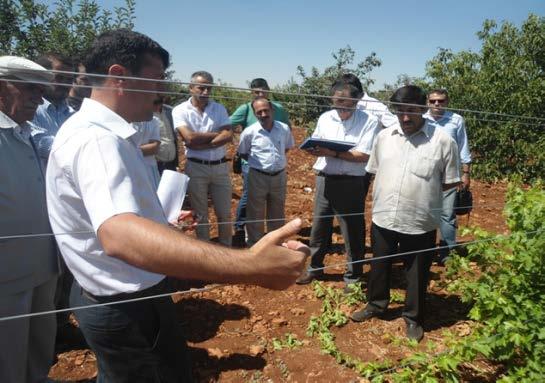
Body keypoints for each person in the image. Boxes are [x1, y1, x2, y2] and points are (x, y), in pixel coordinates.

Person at [46, 29, 309, 382]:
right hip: (128, 306)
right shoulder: (98, 140)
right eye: (156, 80)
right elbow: (120, 236)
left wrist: (159, 224)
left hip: (110, 297)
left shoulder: (91, 129)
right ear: (120, 77)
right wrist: (251, 265)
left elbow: (113, 222)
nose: (161, 92)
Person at [350, 85, 460, 342]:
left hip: (420, 220)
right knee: (379, 265)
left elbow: (449, 182)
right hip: (384, 217)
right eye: (400, 111)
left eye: (411, 111)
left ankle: (413, 318)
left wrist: (422, 193)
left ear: (423, 109)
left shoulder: (443, 141)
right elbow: (375, 170)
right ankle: (376, 305)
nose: (405, 117)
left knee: (417, 272)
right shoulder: (384, 137)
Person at [0, 55, 59, 383]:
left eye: (41, 90)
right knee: (7, 351)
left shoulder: (29, 130)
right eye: (29, 89)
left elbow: (63, 147)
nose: (38, 97)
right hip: (6, 270)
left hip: (41, 261)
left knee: (39, 340)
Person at [296, 80, 380, 287]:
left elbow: (364, 155)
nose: (341, 107)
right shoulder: (326, 118)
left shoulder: (369, 120)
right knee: (319, 227)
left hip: (352, 182)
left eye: (346, 102)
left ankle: (353, 276)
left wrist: (332, 152)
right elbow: (316, 141)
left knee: (352, 230)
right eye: (337, 102)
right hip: (325, 179)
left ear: (357, 99)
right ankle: (315, 269)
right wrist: (314, 149)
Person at [172, 71, 233, 246]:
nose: (206, 92)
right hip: (196, 167)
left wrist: (203, 143)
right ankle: (204, 248)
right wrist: (216, 136)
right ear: (191, 88)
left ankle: (226, 248)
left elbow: (228, 134)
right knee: (200, 213)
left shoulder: (218, 108)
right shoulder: (180, 110)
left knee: (225, 213)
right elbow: (189, 138)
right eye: (201, 87)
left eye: (209, 88)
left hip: (220, 167)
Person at [230, 78, 291, 244]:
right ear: (255, 113)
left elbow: (286, 148)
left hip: (279, 175)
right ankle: (254, 245)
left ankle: (275, 244)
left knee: (277, 212)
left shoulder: (283, 128)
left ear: (271, 109)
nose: (263, 114)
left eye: (266, 110)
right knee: (255, 212)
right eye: (259, 112)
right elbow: (243, 153)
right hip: (257, 175)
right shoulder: (249, 132)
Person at [424, 89, 471, 264]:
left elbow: (463, 147)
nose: (437, 104)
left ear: (447, 102)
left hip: (449, 175)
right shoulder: (421, 119)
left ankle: (447, 254)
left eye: (441, 101)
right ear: (427, 102)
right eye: (433, 101)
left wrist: (465, 173)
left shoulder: (456, 120)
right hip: (424, 174)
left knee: (447, 214)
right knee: (424, 213)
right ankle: (425, 253)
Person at [31, 52, 75, 164]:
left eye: (69, 79)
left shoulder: (73, 115)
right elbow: (39, 143)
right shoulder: (29, 108)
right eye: (59, 77)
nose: (65, 84)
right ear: (42, 76)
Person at [133, 116, 161, 189]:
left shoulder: (153, 120)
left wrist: (127, 150)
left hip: (149, 169)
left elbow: (154, 148)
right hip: (130, 169)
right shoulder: (120, 119)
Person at [154, 97, 179, 174]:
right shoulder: (143, 113)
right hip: (154, 165)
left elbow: (175, 137)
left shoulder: (170, 111)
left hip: (171, 165)